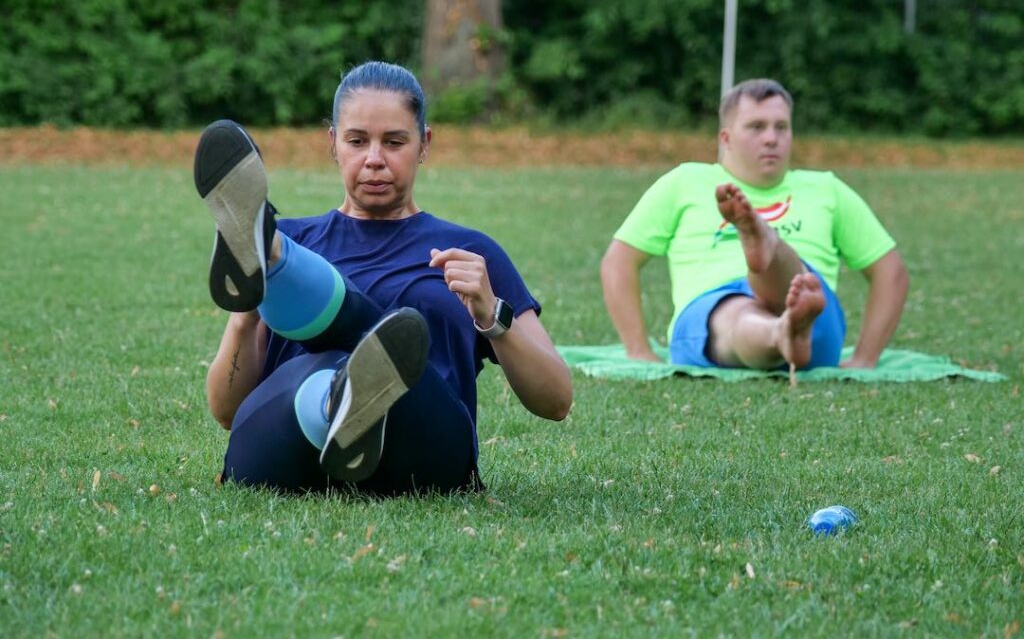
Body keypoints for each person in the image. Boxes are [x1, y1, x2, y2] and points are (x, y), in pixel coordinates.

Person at [194, 61, 572, 495]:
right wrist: (245, 314)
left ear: (424, 143)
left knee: (377, 354)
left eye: (394, 142)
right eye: (357, 141)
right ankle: (334, 401)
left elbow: (556, 401)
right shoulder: (296, 237)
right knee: (310, 374)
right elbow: (227, 412)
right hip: (285, 454)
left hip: (424, 458)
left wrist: (493, 317)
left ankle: (337, 393)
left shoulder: (471, 254)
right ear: (333, 143)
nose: (374, 159)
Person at [601, 78, 909, 375]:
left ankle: (768, 250)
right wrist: (638, 350)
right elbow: (619, 261)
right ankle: (783, 332)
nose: (771, 138)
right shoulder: (685, 182)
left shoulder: (826, 189)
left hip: (814, 316)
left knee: (798, 284)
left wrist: (865, 358)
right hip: (713, 314)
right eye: (756, 127)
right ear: (726, 139)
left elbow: (890, 270)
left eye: (781, 127)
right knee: (735, 313)